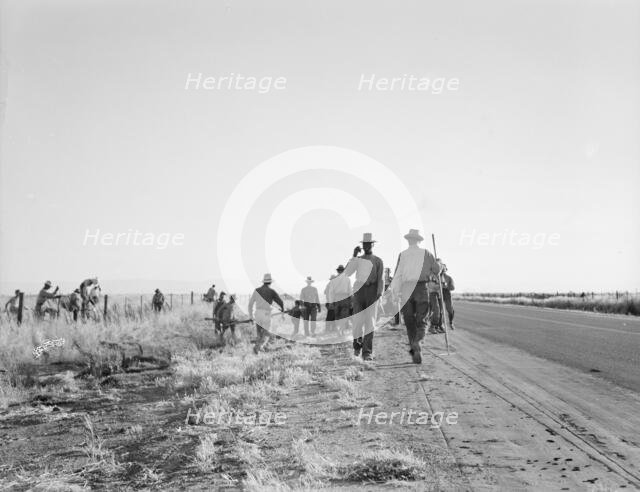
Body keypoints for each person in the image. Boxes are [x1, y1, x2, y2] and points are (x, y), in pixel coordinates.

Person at [391, 229, 441, 364]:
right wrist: (438, 266)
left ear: (408, 240)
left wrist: (394, 292)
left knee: (409, 321)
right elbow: (437, 270)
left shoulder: (403, 255)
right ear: (418, 240)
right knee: (422, 319)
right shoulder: (427, 253)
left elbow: (397, 275)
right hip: (421, 287)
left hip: (406, 288)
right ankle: (418, 342)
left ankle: (414, 348)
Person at [343, 233, 384, 361]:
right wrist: (354, 255)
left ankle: (367, 352)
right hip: (359, 291)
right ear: (362, 246)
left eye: (368, 244)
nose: (366, 246)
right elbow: (347, 272)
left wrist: (379, 294)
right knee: (357, 322)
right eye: (364, 244)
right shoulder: (358, 260)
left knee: (370, 323)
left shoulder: (378, 260)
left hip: (372, 291)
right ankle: (357, 346)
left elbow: (380, 279)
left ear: (372, 245)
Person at [248, 273, 284, 354]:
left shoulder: (257, 290)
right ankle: (258, 348)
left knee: (259, 334)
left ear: (263, 282)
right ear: (270, 282)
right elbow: (281, 302)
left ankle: (257, 351)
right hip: (266, 314)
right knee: (267, 333)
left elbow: (250, 304)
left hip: (257, 314)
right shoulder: (271, 291)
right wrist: (282, 310)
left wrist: (251, 316)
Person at [330, 265, 352, 334]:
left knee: (337, 315)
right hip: (345, 298)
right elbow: (350, 291)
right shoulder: (347, 279)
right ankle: (342, 330)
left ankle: (339, 330)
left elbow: (331, 292)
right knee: (344, 315)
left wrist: (331, 302)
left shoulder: (334, 280)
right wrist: (351, 301)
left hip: (337, 298)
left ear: (338, 271)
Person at [438, 260, 455, 330]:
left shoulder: (449, 278)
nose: (442, 270)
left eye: (443, 269)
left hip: (447, 293)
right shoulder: (436, 277)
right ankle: (440, 325)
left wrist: (446, 286)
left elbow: (453, 287)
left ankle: (451, 322)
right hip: (439, 293)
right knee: (440, 310)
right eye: (441, 269)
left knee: (450, 309)